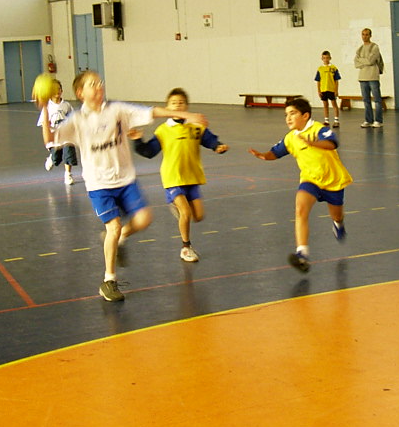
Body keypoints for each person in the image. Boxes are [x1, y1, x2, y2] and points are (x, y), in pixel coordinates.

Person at [38, 70, 208, 302]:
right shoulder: (77, 121)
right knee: (114, 227)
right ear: (80, 92)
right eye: (92, 84)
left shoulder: (117, 110)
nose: (99, 86)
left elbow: (153, 112)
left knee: (144, 219)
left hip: (126, 180)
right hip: (99, 184)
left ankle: (121, 237)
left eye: (99, 82)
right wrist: (44, 108)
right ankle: (109, 281)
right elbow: (50, 139)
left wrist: (186, 115)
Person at [248, 97, 352, 273]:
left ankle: (338, 224)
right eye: (286, 115)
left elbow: (332, 143)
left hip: (332, 181)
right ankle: (302, 254)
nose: (288, 118)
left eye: (292, 113)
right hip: (310, 180)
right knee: (300, 209)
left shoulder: (319, 129)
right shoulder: (291, 138)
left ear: (305, 115)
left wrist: (312, 143)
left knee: (337, 215)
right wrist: (264, 156)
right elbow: (275, 152)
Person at [132, 87, 228, 263]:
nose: (177, 105)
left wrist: (218, 146)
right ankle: (186, 248)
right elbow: (149, 151)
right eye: (173, 103)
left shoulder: (195, 127)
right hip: (173, 178)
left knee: (198, 216)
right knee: (185, 213)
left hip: (192, 176)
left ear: (187, 106)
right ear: (167, 107)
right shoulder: (163, 130)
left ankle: (178, 209)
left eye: (181, 103)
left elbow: (210, 140)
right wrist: (138, 141)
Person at [37, 79, 77, 185]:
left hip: (66, 135)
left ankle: (68, 174)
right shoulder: (47, 107)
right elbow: (43, 124)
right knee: (56, 158)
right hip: (54, 137)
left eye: (59, 89)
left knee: (69, 152)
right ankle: (51, 157)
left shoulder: (66, 105)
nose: (57, 91)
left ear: (62, 91)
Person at [354, 28, 384, 128]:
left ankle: (378, 120)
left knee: (377, 100)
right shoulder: (359, 49)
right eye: (363, 34)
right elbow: (356, 63)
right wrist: (364, 61)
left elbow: (371, 61)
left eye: (367, 34)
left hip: (373, 76)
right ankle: (368, 120)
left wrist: (361, 60)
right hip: (362, 77)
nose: (364, 36)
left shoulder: (374, 47)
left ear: (370, 35)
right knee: (366, 100)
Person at [315, 51, 341, 128]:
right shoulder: (320, 69)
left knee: (334, 104)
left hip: (331, 89)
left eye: (327, 58)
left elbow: (336, 80)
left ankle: (336, 120)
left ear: (330, 58)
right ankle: (326, 120)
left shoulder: (333, 68)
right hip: (323, 89)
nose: (326, 59)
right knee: (325, 105)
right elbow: (318, 81)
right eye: (324, 58)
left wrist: (336, 90)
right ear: (322, 59)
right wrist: (319, 91)